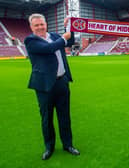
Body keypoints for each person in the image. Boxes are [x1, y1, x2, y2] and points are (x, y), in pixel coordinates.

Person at [24, 13, 80, 160]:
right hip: (44, 86)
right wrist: (64, 38)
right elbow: (49, 49)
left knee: (64, 117)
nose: (40, 27)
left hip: (61, 82)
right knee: (46, 118)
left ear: (46, 24)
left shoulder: (55, 36)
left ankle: (68, 145)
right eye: (36, 25)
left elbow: (70, 40)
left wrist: (69, 26)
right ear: (31, 27)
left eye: (42, 24)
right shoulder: (30, 40)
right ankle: (49, 147)